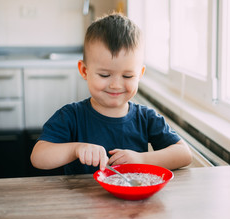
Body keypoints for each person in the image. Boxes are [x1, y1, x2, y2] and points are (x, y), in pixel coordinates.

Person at [30, 13, 192, 174]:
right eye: (104, 75)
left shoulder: (146, 118)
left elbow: (184, 154)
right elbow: (38, 157)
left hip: (132, 199)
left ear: (140, 74)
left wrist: (142, 159)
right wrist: (76, 149)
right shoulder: (71, 116)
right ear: (84, 71)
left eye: (127, 76)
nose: (115, 85)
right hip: (82, 199)